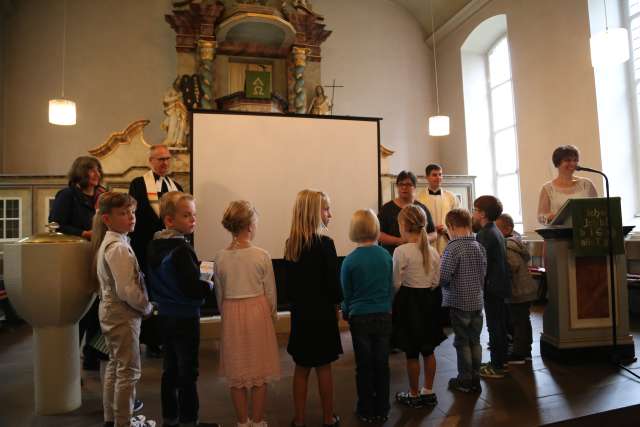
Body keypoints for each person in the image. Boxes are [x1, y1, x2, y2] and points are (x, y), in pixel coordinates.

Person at [146, 192, 217, 427]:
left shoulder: (155, 244)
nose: (193, 220)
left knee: (170, 368)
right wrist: (207, 283)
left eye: (194, 215)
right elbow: (192, 288)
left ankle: (170, 417)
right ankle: (189, 419)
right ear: (169, 220)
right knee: (189, 371)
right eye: (186, 215)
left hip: (164, 314)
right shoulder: (181, 249)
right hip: (185, 317)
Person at [91, 192, 156, 427]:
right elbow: (127, 290)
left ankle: (112, 418)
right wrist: (147, 306)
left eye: (132, 212)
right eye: (123, 213)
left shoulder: (115, 242)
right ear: (107, 219)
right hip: (122, 314)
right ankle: (124, 421)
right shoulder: (117, 247)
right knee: (128, 371)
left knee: (115, 366)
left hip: (112, 311)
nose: (131, 217)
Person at [214, 200, 280, 427]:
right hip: (257, 313)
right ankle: (258, 420)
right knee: (259, 371)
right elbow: (270, 293)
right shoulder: (262, 255)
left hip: (232, 313)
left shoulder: (220, 257)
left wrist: (227, 316)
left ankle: (243, 422)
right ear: (251, 226)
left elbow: (220, 296)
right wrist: (272, 317)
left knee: (237, 373)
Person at [284, 189, 342, 427]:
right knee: (324, 367)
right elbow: (333, 284)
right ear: (313, 213)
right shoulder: (325, 244)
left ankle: (299, 419)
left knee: (301, 368)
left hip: (301, 315)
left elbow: (289, 287)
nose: (330, 214)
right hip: (323, 314)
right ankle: (328, 418)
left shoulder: (291, 245)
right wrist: (338, 304)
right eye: (326, 209)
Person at [49, 155, 107, 371]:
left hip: (97, 258)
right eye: (91, 170)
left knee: (97, 312)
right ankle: (68, 363)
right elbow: (55, 225)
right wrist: (84, 233)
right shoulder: (67, 196)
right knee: (79, 312)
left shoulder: (101, 196)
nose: (96, 174)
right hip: (75, 259)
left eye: (98, 170)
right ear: (80, 173)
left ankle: (93, 357)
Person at [129, 144, 183, 357]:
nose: (164, 163)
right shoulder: (138, 184)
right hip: (145, 248)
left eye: (167, 159)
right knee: (148, 292)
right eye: (160, 159)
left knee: (167, 291)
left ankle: (165, 337)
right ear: (150, 161)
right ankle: (150, 339)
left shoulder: (176, 186)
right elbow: (135, 215)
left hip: (169, 250)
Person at [340, 209, 393, 423]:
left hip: (359, 317)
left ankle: (365, 408)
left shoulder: (349, 261)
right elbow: (391, 286)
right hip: (383, 315)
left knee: (364, 365)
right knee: (382, 363)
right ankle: (383, 407)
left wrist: (346, 311)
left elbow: (347, 293)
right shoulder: (385, 255)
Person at [392, 205, 445, 408]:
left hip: (409, 303)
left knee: (412, 352)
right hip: (429, 303)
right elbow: (435, 281)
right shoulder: (432, 251)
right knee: (428, 350)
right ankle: (428, 391)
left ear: (403, 226)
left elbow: (396, 282)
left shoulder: (400, 251)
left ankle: (413, 394)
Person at [440, 209, 486, 393]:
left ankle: (465, 380)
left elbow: (443, 276)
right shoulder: (479, 246)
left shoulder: (453, 247)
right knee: (475, 341)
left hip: (459, 302)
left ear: (450, 227)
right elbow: (484, 274)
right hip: (477, 302)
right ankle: (476, 377)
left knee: (462, 342)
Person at [472, 195, 511, 379]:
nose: (473, 213)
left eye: (475, 209)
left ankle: (496, 366)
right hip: (500, 283)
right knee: (499, 325)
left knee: (495, 326)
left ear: (483, 214)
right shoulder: (495, 230)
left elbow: (481, 262)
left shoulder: (485, 233)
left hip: (492, 286)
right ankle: (501, 361)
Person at [496, 213, 538, 365]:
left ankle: (519, 353)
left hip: (518, 290)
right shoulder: (516, 242)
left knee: (518, 322)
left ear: (507, 229)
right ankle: (525, 350)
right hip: (524, 289)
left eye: (497, 228)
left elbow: (512, 266)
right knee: (523, 321)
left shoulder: (507, 246)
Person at [378, 171, 436, 255]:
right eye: (401, 184)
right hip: (393, 256)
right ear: (397, 186)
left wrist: (420, 240)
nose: (404, 187)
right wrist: (399, 241)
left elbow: (434, 234)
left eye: (408, 184)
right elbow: (378, 234)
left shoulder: (422, 208)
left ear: (414, 187)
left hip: (418, 256)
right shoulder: (386, 208)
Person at [537, 145, 598, 224]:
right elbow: (541, 217)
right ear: (557, 163)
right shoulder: (548, 188)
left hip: (584, 232)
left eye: (575, 160)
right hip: (559, 234)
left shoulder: (586, 184)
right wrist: (551, 217)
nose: (572, 163)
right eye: (568, 160)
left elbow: (597, 209)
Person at [417, 164, 460, 255]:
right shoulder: (419, 198)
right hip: (428, 241)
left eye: (440, 174)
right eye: (434, 175)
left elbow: (458, 219)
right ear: (427, 177)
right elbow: (417, 222)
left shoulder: (451, 197)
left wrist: (447, 228)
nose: (438, 177)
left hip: (446, 240)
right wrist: (431, 229)